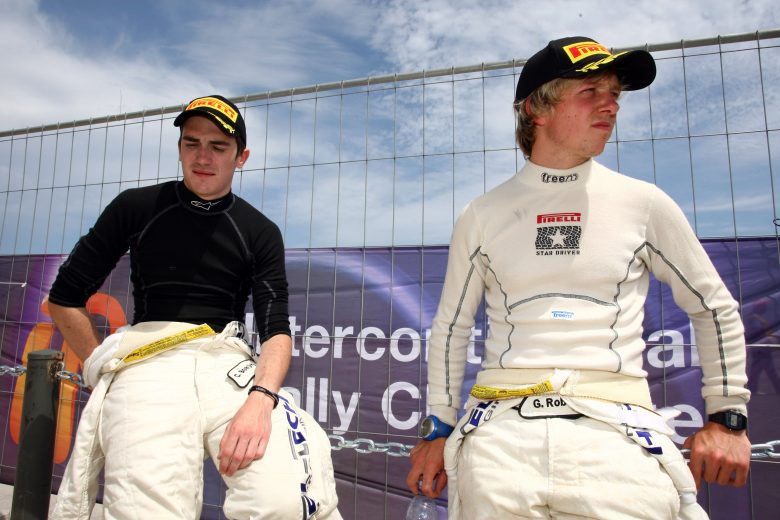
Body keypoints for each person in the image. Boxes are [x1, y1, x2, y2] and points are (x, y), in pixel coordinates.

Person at [406, 37, 751, 519]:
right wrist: (438, 430)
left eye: (615, 94)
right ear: (536, 109)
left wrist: (728, 418)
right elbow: (451, 328)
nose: (611, 105)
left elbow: (713, 307)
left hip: (618, 435)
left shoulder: (644, 203)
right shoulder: (481, 214)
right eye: (591, 91)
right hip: (500, 439)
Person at [48, 95, 341, 519]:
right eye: (192, 143)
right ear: (180, 148)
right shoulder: (135, 207)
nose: (203, 157)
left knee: (287, 501)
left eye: (218, 146)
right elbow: (64, 298)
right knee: (145, 512)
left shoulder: (260, 231)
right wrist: (102, 365)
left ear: (241, 157)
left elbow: (276, 329)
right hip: (147, 363)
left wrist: (261, 400)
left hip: (227, 364)